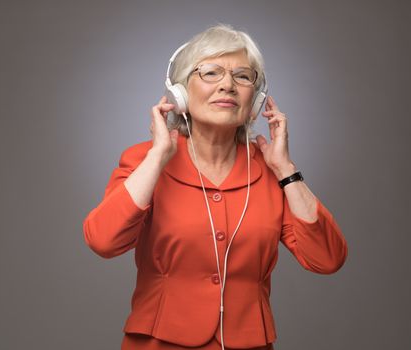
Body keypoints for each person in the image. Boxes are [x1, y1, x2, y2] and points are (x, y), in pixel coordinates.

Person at [83, 24, 348, 350]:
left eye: (242, 76)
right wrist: (156, 158)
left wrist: (286, 170)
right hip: (157, 343)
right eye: (210, 73)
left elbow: (327, 259)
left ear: (256, 97)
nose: (227, 85)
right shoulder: (144, 161)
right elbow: (102, 241)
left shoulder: (271, 171)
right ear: (180, 92)